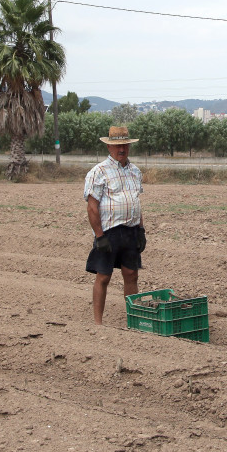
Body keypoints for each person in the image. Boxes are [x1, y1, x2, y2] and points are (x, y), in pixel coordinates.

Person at [84, 125, 146, 324]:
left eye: (125, 145)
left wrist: (141, 231)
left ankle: (134, 320)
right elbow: (92, 207)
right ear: (109, 147)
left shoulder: (135, 171)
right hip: (109, 232)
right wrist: (99, 236)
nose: (122, 149)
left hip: (131, 231)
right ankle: (97, 323)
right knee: (104, 276)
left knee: (131, 274)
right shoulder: (98, 172)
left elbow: (136, 202)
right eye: (117, 146)